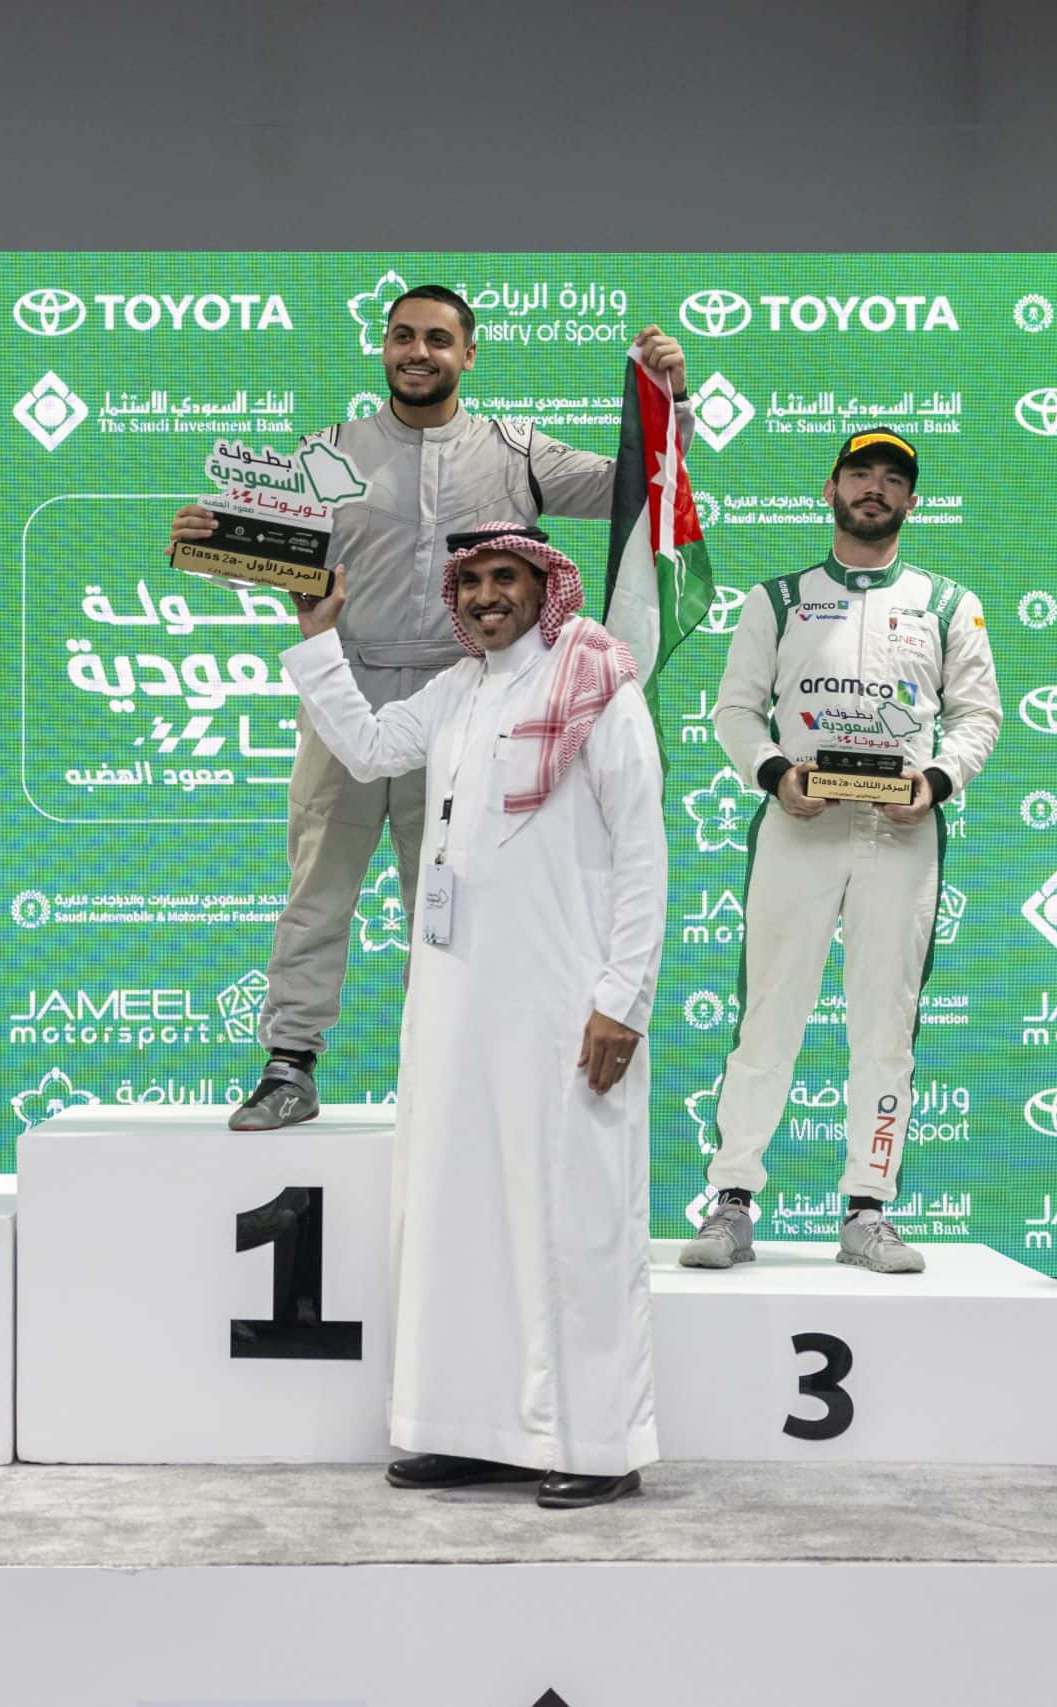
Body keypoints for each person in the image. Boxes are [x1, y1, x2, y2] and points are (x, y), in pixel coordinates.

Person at [170, 288, 689, 1131]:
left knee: (449, 896)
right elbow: (272, 552)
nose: (419, 352)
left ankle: (443, 1073)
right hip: (348, 693)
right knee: (318, 887)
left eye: (439, 340)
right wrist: (214, 540)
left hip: (464, 704)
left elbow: (632, 486)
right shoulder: (327, 454)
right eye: (404, 336)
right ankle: (290, 1062)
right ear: (382, 347)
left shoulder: (518, 452)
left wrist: (671, 405)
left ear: (468, 354)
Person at [280, 527, 666, 1509]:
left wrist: (623, 998)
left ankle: (597, 1443)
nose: (488, 595)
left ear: (546, 587)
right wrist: (320, 637)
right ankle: (471, 1430)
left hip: (566, 1000)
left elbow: (642, 849)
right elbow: (369, 750)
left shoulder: (597, 683)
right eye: (473, 583)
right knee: (456, 1207)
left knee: (570, 1213)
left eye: (507, 578)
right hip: (456, 1000)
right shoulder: (457, 689)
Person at [686, 430, 1000, 1273]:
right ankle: (731, 1201)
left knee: (885, 1024)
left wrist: (937, 780)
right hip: (800, 826)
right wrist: (775, 773)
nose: (874, 487)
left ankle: (869, 1208)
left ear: (912, 501)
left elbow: (978, 716)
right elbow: (735, 710)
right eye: (860, 472)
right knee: (769, 1015)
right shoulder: (780, 599)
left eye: (892, 478)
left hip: (901, 833)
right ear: (831, 487)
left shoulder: (947, 603)